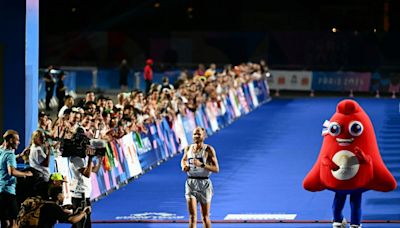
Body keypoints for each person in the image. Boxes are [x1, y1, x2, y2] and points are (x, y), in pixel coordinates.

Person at [180, 127, 219, 228]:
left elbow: (216, 169)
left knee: (205, 217)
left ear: (204, 136)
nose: (196, 136)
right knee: (192, 217)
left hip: (204, 183)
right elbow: (183, 160)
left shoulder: (209, 150)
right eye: (194, 134)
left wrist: (202, 165)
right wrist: (184, 166)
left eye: (198, 134)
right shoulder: (188, 148)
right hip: (191, 183)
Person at [0, 130, 33, 228]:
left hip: (1, 191)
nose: (19, 142)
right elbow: (12, 172)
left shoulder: (2, 150)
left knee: (4, 222)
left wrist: (20, 156)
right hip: (8, 193)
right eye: (17, 140)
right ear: (10, 140)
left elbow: (7, 160)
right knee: (14, 223)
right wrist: (26, 174)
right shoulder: (9, 154)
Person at [69, 146, 102, 228]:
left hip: (85, 194)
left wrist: (100, 159)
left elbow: (94, 170)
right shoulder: (76, 159)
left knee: (85, 222)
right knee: (81, 223)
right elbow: (87, 174)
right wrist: (90, 159)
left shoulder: (83, 158)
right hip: (79, 195)